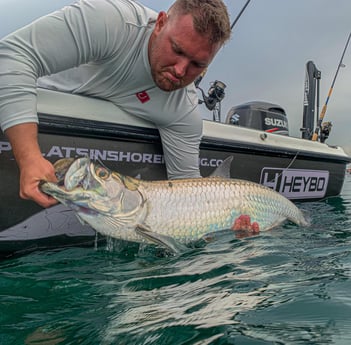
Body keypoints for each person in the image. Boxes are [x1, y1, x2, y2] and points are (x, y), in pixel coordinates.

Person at [0, 0, 231, 208]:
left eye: (197, 64)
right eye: (177, 50)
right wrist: (29, 157)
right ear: (160, 23)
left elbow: (188, 198)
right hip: (20, 105)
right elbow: (12, 57)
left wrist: (227, 221)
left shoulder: (184, 110)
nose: (180, 70)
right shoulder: (111, 22)